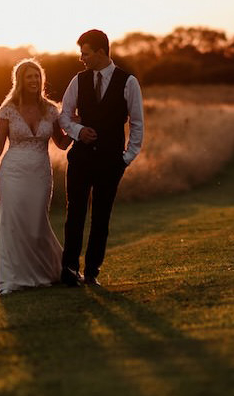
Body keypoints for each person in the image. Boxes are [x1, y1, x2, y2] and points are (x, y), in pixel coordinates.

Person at [56, 29, 144, 288]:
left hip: (110, 161)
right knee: (75, 214)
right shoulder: (78, 80)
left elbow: (137, 123)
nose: (81, 58)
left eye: (85, 53)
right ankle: (69, 270)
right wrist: (78, 131)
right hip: (80, 159)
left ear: (101, 52)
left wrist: (126, 158)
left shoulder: (128, 82)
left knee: (101, 217)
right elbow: (64, 115)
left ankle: (92, 271)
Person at [0, 59, 73, 296]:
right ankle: (12, 280)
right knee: (12, 223)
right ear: (20, 80)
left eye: (37, 76)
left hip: (40, 174)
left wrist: (76, 128)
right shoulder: (8, 110)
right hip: (12, 173)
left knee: (36, 223)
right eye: (29, 76)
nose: (34, 80)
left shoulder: (51, 110)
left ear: (42, 79)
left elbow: (62, 143)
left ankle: (52, 271)